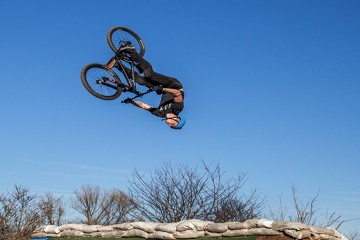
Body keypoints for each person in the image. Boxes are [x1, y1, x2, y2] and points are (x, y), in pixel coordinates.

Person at [107, 46, 186, 129]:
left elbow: (144, 106)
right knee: (149, 75)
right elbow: (178, 93)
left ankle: (117, 64)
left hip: (161, 89)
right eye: (172, 124)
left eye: (170, 126)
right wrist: (162, 89)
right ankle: (132, 51)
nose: (169, 125)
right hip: (173, 85)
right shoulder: (177, 109)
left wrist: (131, 102)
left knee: (140, 81)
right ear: (177, 119)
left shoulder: (159, 113)